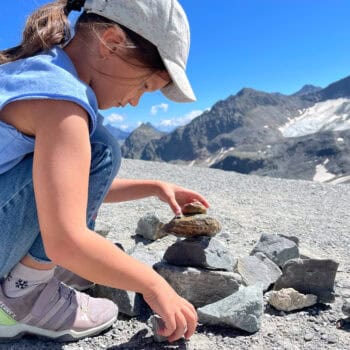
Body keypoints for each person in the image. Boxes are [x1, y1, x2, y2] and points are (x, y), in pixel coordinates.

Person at [0, 0, 209, 343]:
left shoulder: (38, 72)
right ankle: (22, 297)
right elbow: (66, 239)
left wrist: (153, 186)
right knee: (102, 147)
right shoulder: (62, 104)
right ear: (111, 42)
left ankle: (30, 270)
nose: (135, 101)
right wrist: (155, 285)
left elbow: (58, 188)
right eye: (144, 86)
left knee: (99, 146)